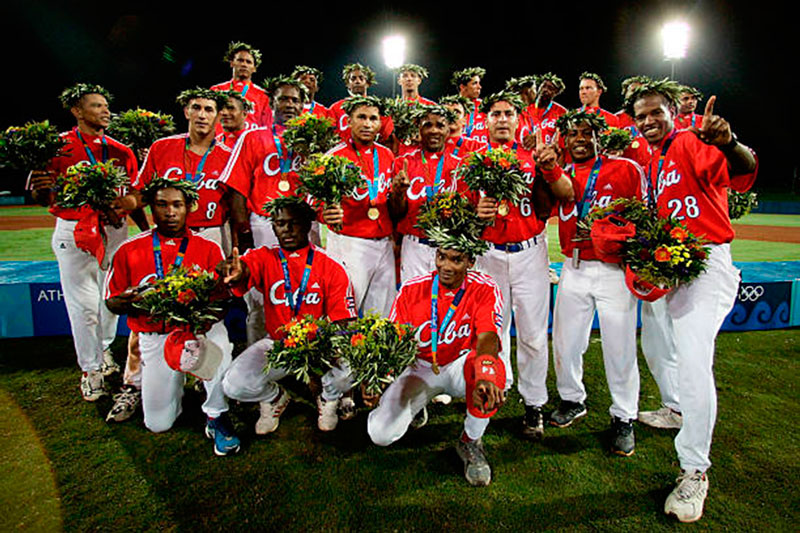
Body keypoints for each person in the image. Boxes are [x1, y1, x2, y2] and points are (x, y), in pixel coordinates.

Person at [627, 79, 757, 522]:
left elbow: (740, 172)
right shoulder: (651, 157)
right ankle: (675, 408)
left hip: (705, 263)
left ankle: (695, 470)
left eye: (654, 112)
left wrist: (730, 142)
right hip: (672, 264)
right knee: (658, 343)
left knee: (695, 360)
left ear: (672, 112)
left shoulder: (689, 141)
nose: (647, 121)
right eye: (640, 115)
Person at [461, 91, 573, 441]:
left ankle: (534, 403)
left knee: (533, 335)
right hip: (487, 253)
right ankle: (495, 386)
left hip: (529, 252)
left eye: (509, 113)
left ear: (519, 119)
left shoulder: (534, 157)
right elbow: (459, 214)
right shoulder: (472, 161)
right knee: (490, 331)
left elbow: (565, 194)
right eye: (495, 113)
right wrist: (474, 216)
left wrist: (548, 165)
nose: (502, 119)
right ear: (486, 120)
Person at [368, 208, 506, 487]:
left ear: (470, 260)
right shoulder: (411, 289)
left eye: (456, 259)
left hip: (459, 364)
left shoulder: (484, 287)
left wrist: (485, 373)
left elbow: (488, 337)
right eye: (441, 256)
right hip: (420, 367)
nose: (446, 265)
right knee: (380, 433)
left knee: (494, 373)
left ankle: (470, 441)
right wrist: (377, 378)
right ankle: (416, 405)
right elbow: (395, 341)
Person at [104, 177, 240, 456]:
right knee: (158, 424)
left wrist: (204, 310)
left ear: (189, 207)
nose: (170, 212)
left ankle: (216, 415)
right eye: (162, 205)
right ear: (151, 208)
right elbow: (111, 302)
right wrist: (126, 303)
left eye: (177, 205)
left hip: (198, 331)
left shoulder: (208, 248)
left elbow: (223, 304)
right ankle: (175, 388)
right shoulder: (128, 249)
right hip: (156, 336)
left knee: (220, 340)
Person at [28, 83, 142, 401]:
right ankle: (91, 370)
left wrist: (125, 207)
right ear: (77, 111)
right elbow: (42, 196)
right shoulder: (57, 148)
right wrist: (37, 187)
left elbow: (134, 193)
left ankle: (103, 352)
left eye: (106, 105)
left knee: (110, 301)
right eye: (96, 106)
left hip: (114, 231)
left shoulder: (122, 151)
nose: (105, 111)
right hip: (74, 230)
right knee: (83, 308)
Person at [548, 110, 645, 456]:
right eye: (572, 133)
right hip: (573, 267)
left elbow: (645, 214)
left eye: (585, 133)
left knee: (619, 347)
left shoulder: (625, 168)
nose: (578, 139)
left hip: (614, 270)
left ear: (598, 136)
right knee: (566, 342)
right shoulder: (558, 173)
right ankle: (572, 399)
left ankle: (624, 417)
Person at [219, 197, 358, 433]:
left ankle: (328, 397)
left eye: (294, 223)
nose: (287, 229)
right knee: (233, 385)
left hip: (318, 344)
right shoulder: (264, 256)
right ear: (273, 226)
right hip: (278, 343)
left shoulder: (331, 265)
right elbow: (245, 268)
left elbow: (344, 321)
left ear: (307, 225)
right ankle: (275, 398)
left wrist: (333, 350)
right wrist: (237, 271)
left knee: (349, 370)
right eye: (280, 223)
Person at [219, 76, 308, 344]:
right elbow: (236, 189)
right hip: (264, 223)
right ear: (271, 103)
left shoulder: (311, 140)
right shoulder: (252, 137)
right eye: (283, 98)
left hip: (303, 226)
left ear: (304, 105)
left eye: (295, 100)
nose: (289, 104)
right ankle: (255, 357)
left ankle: (299, 354)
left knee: (302, 293)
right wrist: (243, 230)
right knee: (260, 296)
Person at [322, 96, 398, 317]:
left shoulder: (386, 155)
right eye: (361, 117)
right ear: (349, 121)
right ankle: (341, 353)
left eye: (373, 119)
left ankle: (375, 353)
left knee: (381, 312)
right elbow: (315, 199)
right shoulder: (334, 157)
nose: (367, 124)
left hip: (383, 241)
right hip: (350, 241)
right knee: (345, 309)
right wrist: (324, 212)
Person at [135, 88, 233, 251]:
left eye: (208, 110)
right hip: (168, 234)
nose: (202, 115)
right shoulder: (161, 148)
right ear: (187, 112)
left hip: (212, 233)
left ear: (218, 117)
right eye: (196, 108)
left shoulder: (230, 157)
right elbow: (140, 192)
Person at [390, 105, 461, 283]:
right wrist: (398, 193)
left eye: (440, 125)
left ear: (448, 130)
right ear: (419, 128)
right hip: (414, 246)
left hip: (449, 248)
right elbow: (396, 214)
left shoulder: (461, 166)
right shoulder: (402, 164)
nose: (434, 131)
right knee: (414, 304)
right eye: (427, 125)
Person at [210, 42, 271, 129]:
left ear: (254, 68)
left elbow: (266, 128)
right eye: (240, 60)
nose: (244, 64)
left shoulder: (263, 96)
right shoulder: (217, 90)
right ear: (232, 63)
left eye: (248, 62)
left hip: (250, 141)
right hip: (221, 141)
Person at [328, 64, 394, 144]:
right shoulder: (336, 108)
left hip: (371, 153)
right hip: (344, 154)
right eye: (353, 79)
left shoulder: (378, 108)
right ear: (348, 84)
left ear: (368, 83)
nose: (357, 81)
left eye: (361, 78)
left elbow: (386, 136)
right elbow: (329, 135)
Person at [451, 67, 488, 143]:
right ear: (463, 87)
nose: (479, 87)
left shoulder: (485, 106)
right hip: (457, 152)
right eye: (475, 83)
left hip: (481, 152)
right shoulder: (451, 107)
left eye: (479, 83)